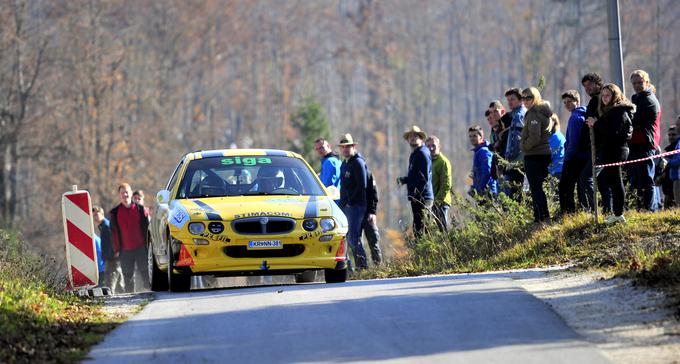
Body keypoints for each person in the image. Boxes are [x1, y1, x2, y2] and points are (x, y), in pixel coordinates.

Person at [586, 83, 634, 224]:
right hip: (609, 150)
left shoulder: (619, 111)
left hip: (617, 150)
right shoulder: (608, 111)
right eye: (603, 96)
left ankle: (619, 214)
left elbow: (614, 132)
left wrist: (597, 124)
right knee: (611, 181)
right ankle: (616, 213)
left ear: (615, 96)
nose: (605, 98)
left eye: (608, 95)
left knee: (616, 181)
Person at [627, 70, 661, 212]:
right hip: (636, 143)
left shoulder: (649, 100)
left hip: (646, 143)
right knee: (637, 178)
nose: (637, 85)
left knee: (647, 178)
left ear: (647, 82)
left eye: (640, 82)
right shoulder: (636, 98)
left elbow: (635, 120)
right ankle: (640, 207)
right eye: (634, 83)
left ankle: (650, 209)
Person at [520, 87, 554, 223]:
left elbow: (534, 137)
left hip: (534, 155)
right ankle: (542, 217)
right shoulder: (540, 112)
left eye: (529, 98)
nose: (525, 101)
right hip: (542, 154)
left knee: (536, 188)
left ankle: (541, 218)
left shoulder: (534, 114)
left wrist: (523, 146)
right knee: (538, 187)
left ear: (535, 98)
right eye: (523, 98)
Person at [110, 182, 151, 292]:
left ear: (131, 193)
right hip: (125, 250)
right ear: (119, 195)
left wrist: (149, 246)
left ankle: (150, 295)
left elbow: (148, 229)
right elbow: (113, 233)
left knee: (145, 273)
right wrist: (117, 249)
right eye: (122, 193)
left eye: (127, 192)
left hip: (142, 248)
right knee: (128, 276)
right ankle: (131, 300)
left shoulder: (141, 210)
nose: (125, 195)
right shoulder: (115, 213)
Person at [558, 90, 593, 214]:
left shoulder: (575, 117)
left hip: (574, 157)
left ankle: (567, 213)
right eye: (565, 102)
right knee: (579, 185)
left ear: (577, 102)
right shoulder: (585, 113)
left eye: (569, 102)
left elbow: (573, 142)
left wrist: (567, 158)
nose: (567, 104)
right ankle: (583, 210)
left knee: (565, 187)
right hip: (585, 156)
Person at [582, 73, 612, 213]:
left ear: (598, 84)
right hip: (599, 146)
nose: (587, 88)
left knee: (586, 177)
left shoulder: (599, 100)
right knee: (603, 181)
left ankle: (593, 212)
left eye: (590, 84)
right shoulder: (596, 100)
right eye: (585, 86)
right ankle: (607, 210)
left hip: (600, 146)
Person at [338, 133, 369, 270]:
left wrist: (351, 201)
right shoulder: (345, 163)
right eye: (343, 147)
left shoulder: (358, 162)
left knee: (354, 238)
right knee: (345, 237)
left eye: (348, 146)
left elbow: (362, 185)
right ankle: (349, 268)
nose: (345, 149)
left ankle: (363, 267)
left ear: (353, 147)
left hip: (356, 206)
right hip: (345, 206)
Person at [397, 126, 434, 237]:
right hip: (416, 197)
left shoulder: (422, 153)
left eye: (415, 136)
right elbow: (416, 176)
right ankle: (421, 253)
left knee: (424, 228)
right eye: (410, 136)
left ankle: (429, 253)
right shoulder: (415, 154)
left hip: (423, 197)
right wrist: (405, 180)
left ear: (421, 138)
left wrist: (417, 195)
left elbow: (424, 178)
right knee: (418, 227)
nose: (412, 138)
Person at [502, 88, 527, 198]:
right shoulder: (516, 114)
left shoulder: (519, 116)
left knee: (515, 196)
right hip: (519, 161)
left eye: (512, 99)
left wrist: (509, 159)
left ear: (521, 100)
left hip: (517, 162)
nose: (509, 102)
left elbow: (516, 140)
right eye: (508, 100)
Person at [93, 206, 124, 293]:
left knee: (110, 281)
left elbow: (113, 241)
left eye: (96, 214)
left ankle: (113, 299)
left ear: (102, 214)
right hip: (111, 257)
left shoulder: (106, 226)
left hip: (111, 258)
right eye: (93, 216)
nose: (95, 217)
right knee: (118, 280)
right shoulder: (103, 226)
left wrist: (110, 256)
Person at [425, 136, 452, 231]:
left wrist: (437, 202)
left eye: (433, 145)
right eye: (428, 146)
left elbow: (446, 185)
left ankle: (448, 246)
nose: (431, 148)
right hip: (431, 203)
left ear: (439, 146)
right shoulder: (428, 162)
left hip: (441, 203)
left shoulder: (443, 162)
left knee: (443, 231)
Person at [468, 125, 497, 195]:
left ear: (481, 136)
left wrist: (480, 188)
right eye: (470, 136)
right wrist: (473, 187)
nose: (472, 138)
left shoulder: (484, 151)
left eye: (475, 136)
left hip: (487, 192)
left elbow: (487, 172)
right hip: (481, 192)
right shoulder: (478, 151)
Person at [363, 168, 383, 264]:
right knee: (356, 242)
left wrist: (372, 212)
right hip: (355, 213)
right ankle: (362, 268)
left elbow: (374, 195)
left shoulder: (368, 174)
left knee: (373, 240)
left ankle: (378, 266)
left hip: (368, 214)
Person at [661, 125, 678, 207]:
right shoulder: (667, 150)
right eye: (669, 135)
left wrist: (668, 162)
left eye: (674, 135)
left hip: (676, 182)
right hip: (667, 187)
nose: (671, 137)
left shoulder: (677, 148)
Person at [548, 114, 566, 179]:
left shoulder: (556, 136)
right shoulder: (552, 135)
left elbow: (549, 155)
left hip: (557, 170)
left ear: (554, 123)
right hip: (555, 169)